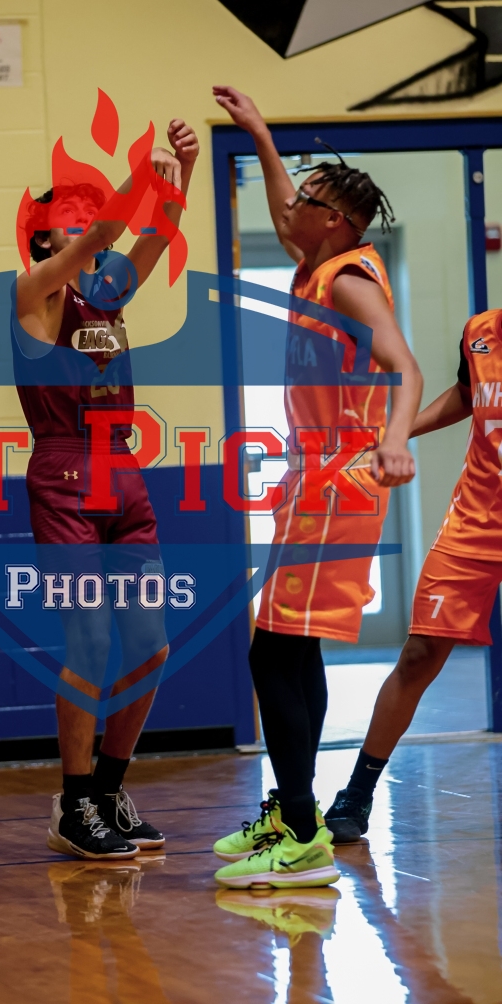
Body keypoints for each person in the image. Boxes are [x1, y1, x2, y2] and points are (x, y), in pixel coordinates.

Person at [209, 86, 422, 889]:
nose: (288, 206)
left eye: (305, 200)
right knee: (293, 649)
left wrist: (394, 439)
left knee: (271, 651)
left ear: (333, 220)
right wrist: (262, 136)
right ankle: (293, 812)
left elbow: (406, 367)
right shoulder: (315, 265)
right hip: (314, 478)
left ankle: (300, 832)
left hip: (340, 479)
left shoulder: (349, 281)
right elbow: (280, 203)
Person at [15, 118, 199, 859]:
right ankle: (72, 803)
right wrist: (141, 177)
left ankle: (108, 792)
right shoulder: (32, 293)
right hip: (64, 475)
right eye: (73, 219)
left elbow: (152, 239)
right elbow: (107, 233)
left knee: (151, 647)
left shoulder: (106, 299)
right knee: (89, 641)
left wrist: (181, 176)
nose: (89, 226)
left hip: (122, 473)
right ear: (43, 240)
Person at [325, 307, 502, 841]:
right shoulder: (480, 332)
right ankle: (357, 792)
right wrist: (396, 434)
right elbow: (469, 395)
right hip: (476, 520)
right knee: (420, 653)